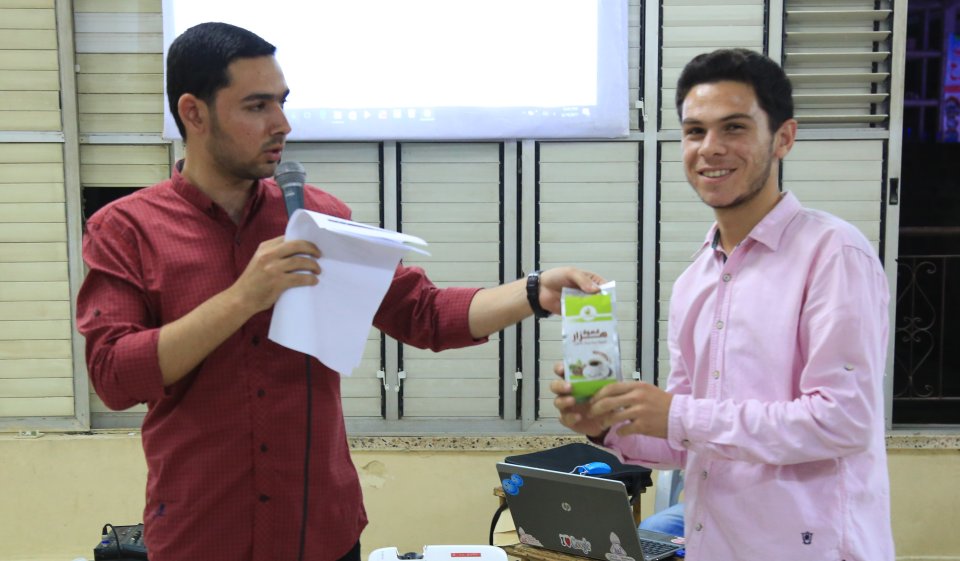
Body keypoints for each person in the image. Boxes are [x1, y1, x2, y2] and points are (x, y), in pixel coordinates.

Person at [76, 22, 604, 561]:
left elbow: (421, 313)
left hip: (319, 532)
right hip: (202, 534)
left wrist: (534, 290)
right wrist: (242, 298)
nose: (282, 124)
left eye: (282, 102)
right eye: (257, 106)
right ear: (194, 113)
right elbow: (114, 376)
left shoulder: (317, 218)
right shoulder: (126, 230)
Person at [552, 48, 894, 561]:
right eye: (695, 131)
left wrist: (677, 414)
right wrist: (607, 423)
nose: (710, 148)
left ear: (784, 138)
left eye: (734, 128)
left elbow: (841, 420)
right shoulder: (696, 279)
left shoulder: (833, 253)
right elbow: (683, 438)